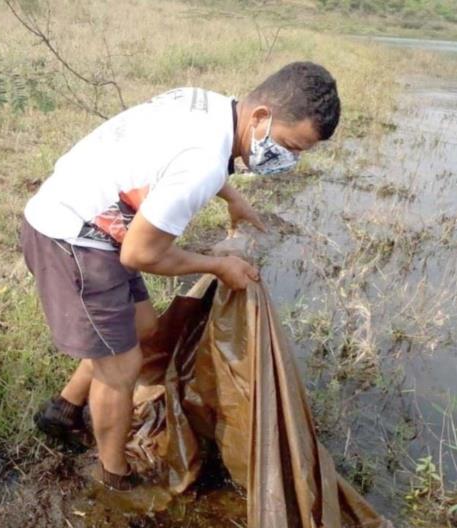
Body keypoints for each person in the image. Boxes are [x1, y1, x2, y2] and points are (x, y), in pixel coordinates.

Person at [20, 61, 341, 491]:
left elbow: (187, 159)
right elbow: (141, 254)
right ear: (261, 117)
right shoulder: (204, 163)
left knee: (142, 328)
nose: (290, 159)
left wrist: (232, 196)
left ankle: (62, 408)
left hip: (94, 218)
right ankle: (113, 475)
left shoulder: (210, 105)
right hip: (74, 239)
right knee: (121, 368)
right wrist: (217, 264)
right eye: (291, 146)